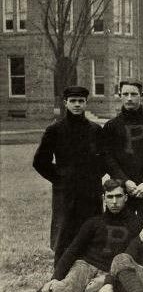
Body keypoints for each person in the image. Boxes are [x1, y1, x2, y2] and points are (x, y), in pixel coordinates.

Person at [15, 179, 141, 292]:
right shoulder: (94, 222)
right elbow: (73, 250)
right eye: (110, 197)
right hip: (85, 265)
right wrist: (56, 277)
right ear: (104, 198)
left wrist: (111, 280)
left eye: (118, 196)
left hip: (109, 271)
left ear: (125, 197)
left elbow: (129, 258)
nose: (114, 202)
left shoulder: (134, 224)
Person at [33, 86, 104, 263]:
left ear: (86, 103)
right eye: (73, 101)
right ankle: (60, 271)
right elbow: (40, 162)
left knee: (91, 228)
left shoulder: (95, 130)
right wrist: (61, 178)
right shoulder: (55, 130)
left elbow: (104, 160)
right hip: (66, 192)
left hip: (91, 190)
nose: (77, 105)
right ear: (65, 103)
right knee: (64, 231)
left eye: (81, 101)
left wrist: (93, 176)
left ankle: (90, 267)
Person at [102, 80, 143, 216]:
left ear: (141, 95)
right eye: (125, 94)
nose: (129, 98)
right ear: (120, 95)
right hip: (120, 188)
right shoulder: (111, 126)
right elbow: (107, 157)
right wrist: (125, 181)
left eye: (134, 94)